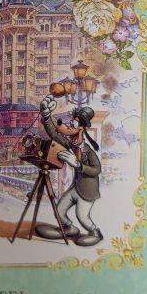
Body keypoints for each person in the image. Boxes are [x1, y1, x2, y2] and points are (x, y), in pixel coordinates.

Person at [35, 95, 103, 246]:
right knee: (59, 210)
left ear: (81, 129)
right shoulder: (70, 145)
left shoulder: (87, 151)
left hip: (87, 191)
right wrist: (46, 116)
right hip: (75, 187)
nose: (69, 126)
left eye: (73, 124)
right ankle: (68, 228)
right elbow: (55, 134)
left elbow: (97, 169)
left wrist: (79, 165)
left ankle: (95, 233)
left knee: (82, 217)